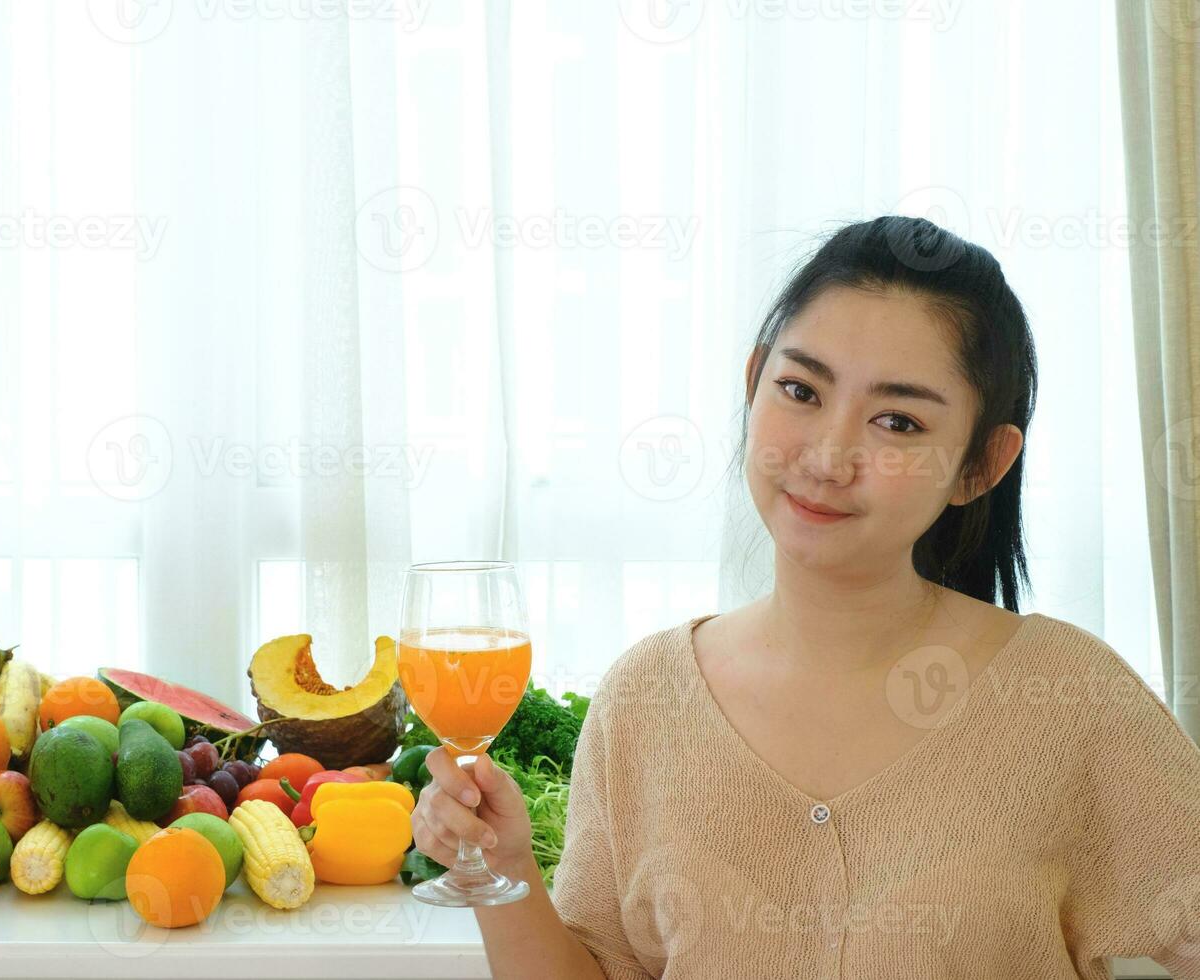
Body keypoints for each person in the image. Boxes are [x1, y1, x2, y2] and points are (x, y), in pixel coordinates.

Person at [409, 215, 1200, 979]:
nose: (827, 457)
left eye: (897, 421)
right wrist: (504, 868)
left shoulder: (1070, 699)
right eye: (800, 389)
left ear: (981, 464)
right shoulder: (645, 698)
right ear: (754, 384)